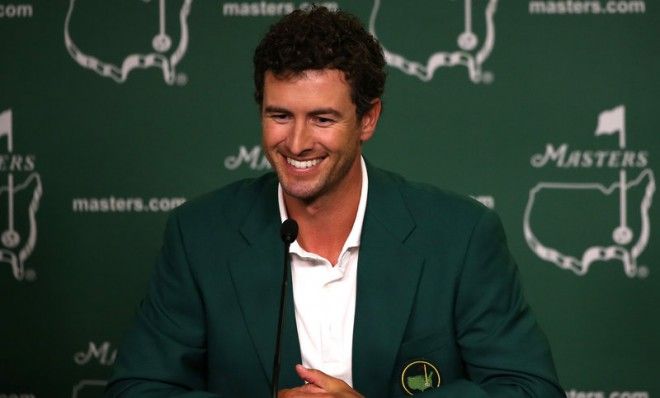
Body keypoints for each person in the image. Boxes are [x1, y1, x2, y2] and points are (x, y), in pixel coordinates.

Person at [106, 6, 563, 397]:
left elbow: (530, 389)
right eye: (279, 115)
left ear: (368, 119)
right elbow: (138, 389)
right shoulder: (200, 234)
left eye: (322, 118)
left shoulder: (460, 235)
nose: (297, 142)